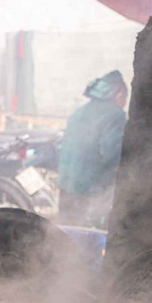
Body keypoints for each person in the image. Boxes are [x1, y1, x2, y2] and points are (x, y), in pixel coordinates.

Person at [57, 70, 128, 229]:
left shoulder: (78, 112)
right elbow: (112, 154)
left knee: (67, 236)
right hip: (89, 192)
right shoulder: (116, 115)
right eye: (125, 99)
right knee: (90, 240)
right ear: (119, 95)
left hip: (66, 187)